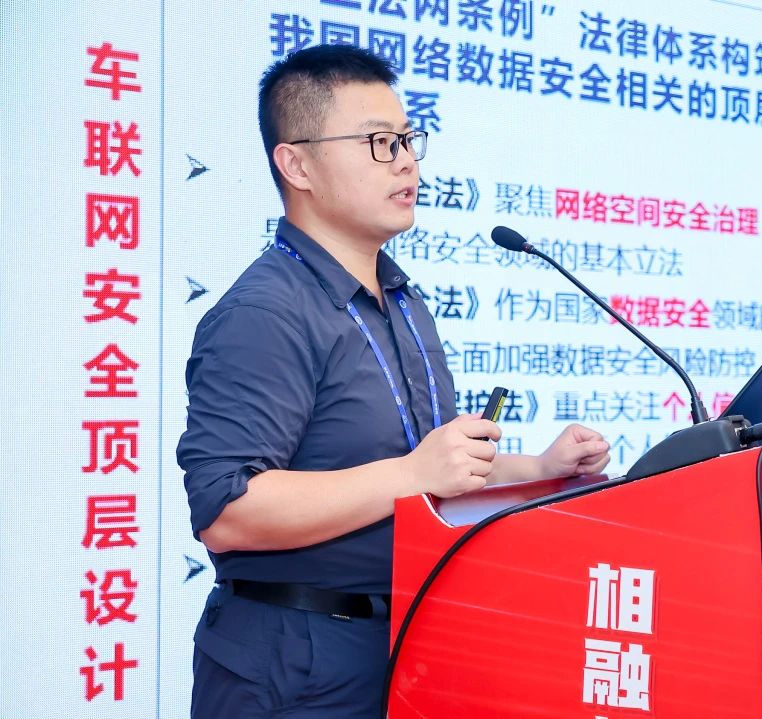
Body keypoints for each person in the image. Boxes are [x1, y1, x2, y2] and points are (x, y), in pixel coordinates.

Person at [177, 44, 610, 718]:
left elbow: (430, 463)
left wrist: (540, 468)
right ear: (297, 165)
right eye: (379, 143)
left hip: (409, 638)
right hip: (296, 662)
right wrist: (413, 473)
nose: (406, 161)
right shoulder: (265, 313)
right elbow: (227, 512)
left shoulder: (402, 300)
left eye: (408, 140)